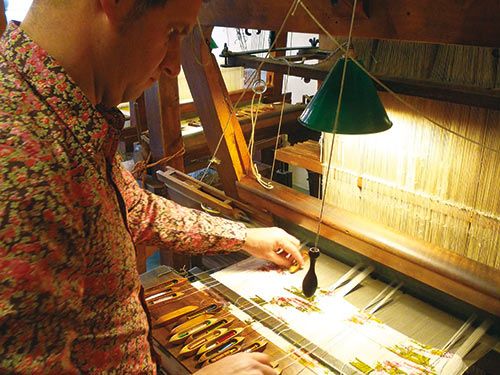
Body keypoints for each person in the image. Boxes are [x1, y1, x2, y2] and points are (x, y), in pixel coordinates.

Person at [0, 0, 303, 373]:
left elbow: (134, 208)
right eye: (173, 31)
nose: (175, 65)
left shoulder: (62, 113)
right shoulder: (23, 154)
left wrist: (246, 237)